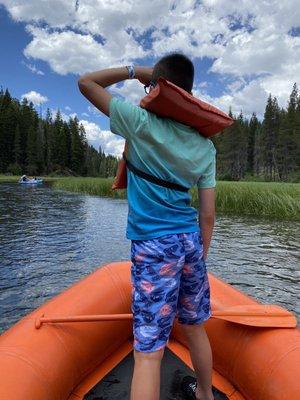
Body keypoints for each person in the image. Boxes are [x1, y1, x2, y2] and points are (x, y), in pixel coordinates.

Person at [78, 53, 216, 400]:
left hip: (155, 246)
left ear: (158, 87)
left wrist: (134, 71)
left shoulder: (139, 122)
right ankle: (203, 393)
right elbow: (208, 214)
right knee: (196, 327)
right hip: (190, 244)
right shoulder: (205, 146)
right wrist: (201, 256)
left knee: (149, 350)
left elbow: (86, 83)